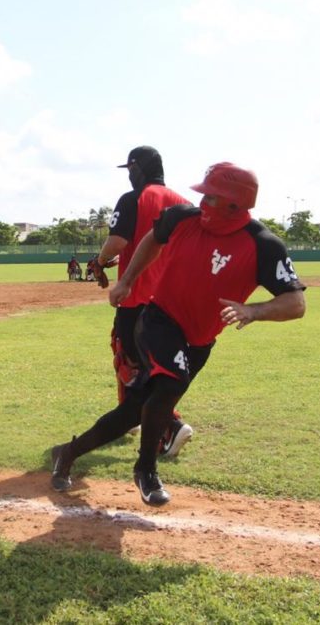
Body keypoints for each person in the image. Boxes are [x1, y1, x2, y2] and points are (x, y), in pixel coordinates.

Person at [52, 162, 306, 505]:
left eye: (211, 198)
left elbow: (296, 303)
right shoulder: (181, 218)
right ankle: (146, 469)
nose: (201, 203)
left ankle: (68, 453)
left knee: (137, 408)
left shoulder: (263, 245)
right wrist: (126, 281)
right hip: (159, 320)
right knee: (170, 383)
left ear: (235, 204)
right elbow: (151, 240)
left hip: (200, 340)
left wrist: (254, 311)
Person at [92, 146, 192, 457]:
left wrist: (100, 259)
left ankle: (172, 425)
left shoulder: (133, 198)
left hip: (137, 299)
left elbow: (117, 241)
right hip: (173, 303)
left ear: (138, 168)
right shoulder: (184, 203)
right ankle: (129, 418)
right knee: (155, 365)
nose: (129, 174)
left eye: (130, 168)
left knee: (131, 365)